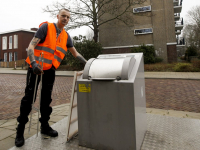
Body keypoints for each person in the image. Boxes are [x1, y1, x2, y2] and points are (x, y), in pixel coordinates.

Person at [15, 8, 87, 147]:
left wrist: (88, 62)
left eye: (68, 17)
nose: (65, 19)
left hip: (50, 69)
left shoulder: (66, 36)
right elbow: (31, 46)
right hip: (36, 67)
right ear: (58, 16)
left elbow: (75, 53)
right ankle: (20, 131)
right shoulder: (46, 27)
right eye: (63, 16)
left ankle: (45, 127)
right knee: (29, 98)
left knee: (46, 99)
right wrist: (34, 64)